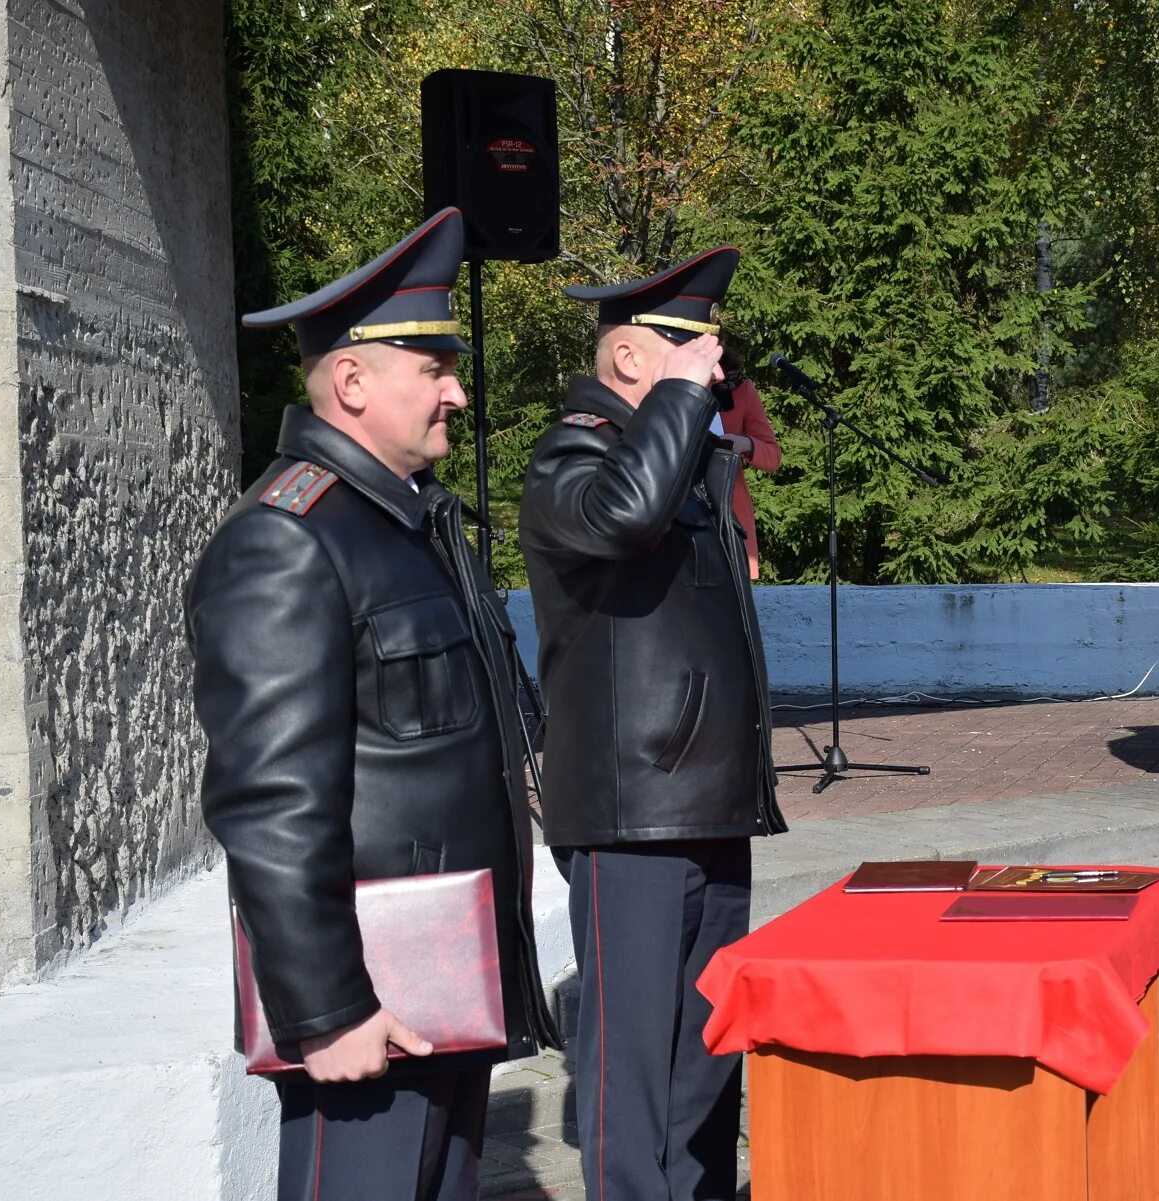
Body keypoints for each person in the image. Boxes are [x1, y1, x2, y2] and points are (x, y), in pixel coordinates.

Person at [186, 208, 559, 1201]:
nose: (460, 392)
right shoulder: (287, 541)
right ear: (352, 382)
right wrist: (327, 1007)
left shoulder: (409, 526)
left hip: (444, 987)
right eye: (434, 369)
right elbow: (269, 807)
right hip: (371, 1010)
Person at [519, 246, 787, 1201]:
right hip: (631, 809)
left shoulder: (687, 448)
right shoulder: (574, 452)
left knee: (708, 1055)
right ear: (631, 359)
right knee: (631, 1067)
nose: (717, 361)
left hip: (709, 798)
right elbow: (622, 517)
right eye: (691, 344)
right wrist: (682, 407)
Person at [714, 348, 783, 578]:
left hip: (728, 514)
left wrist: (745, 444)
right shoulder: (666, 384)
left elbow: (773, 456)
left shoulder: (740, 389)